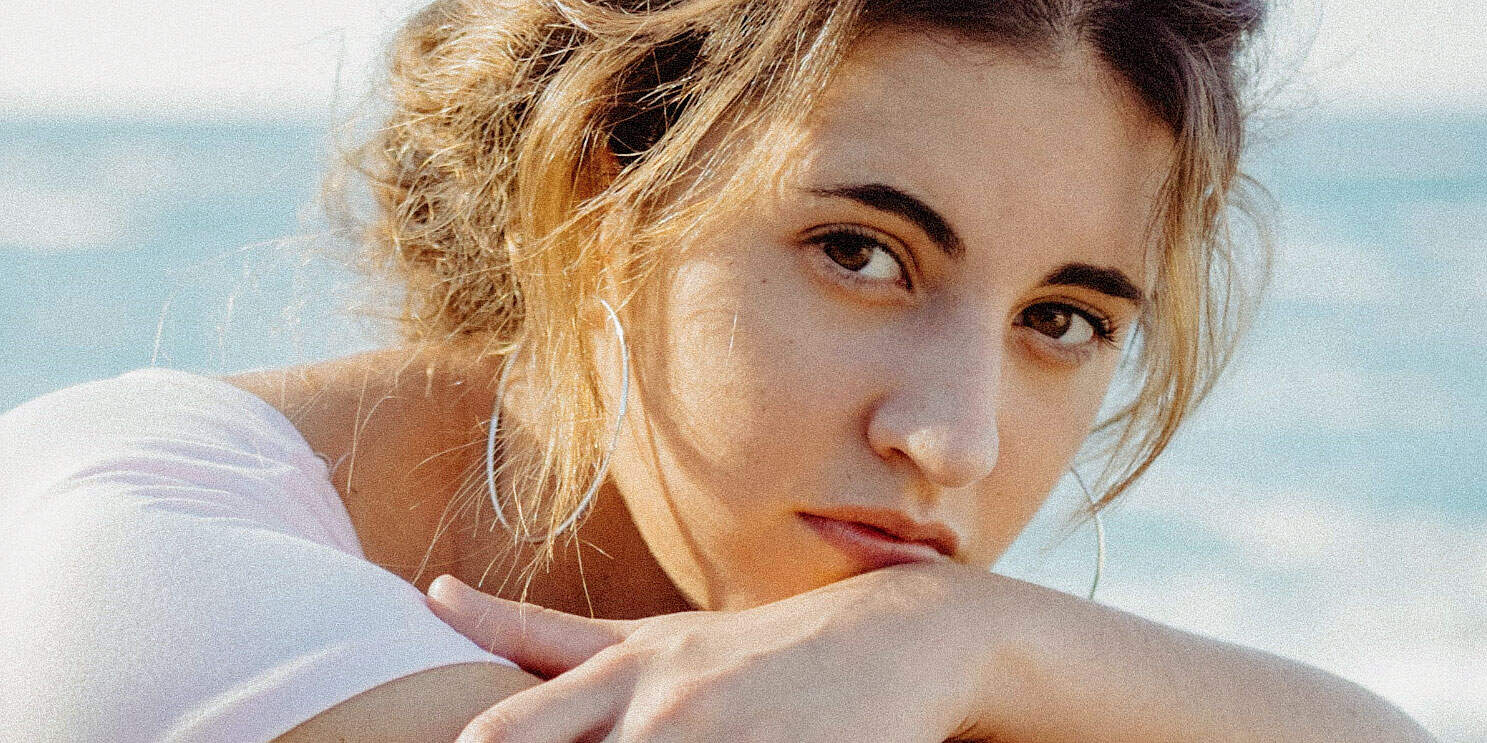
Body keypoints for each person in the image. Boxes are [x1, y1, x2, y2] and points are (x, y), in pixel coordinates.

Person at [0, 0, 1438, 740]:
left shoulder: (860, 665)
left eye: (1062, 319)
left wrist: (981, 637)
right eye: (861, 253)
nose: (955, 438)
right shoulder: (128, 563)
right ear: (591, 195)